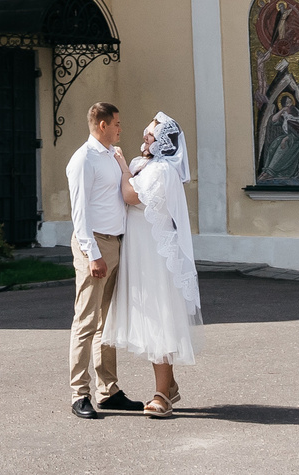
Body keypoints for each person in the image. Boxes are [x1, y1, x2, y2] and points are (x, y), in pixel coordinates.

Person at [105, 111, 202, 417]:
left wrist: (122, 169)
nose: (144, 138)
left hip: (155, 254)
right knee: (147, 315)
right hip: (140, 247)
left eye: (151, 135)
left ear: (163, 142)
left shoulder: (162, 170)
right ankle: (169, 385)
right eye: (146, 133)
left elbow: (131, 195)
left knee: (158, 316)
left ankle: (162, 394)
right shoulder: (143, 164)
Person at [66, 100, 143, 418]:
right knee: (85, 322)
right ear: (102, 124)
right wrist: (92, 254)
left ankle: (108, 391)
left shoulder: (111, 156)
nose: (120, 128)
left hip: (115, 244)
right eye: (116, 123)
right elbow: (79, 211)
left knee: (106, 323)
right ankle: (78, 393)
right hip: (94, 245)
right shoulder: (84, 159)